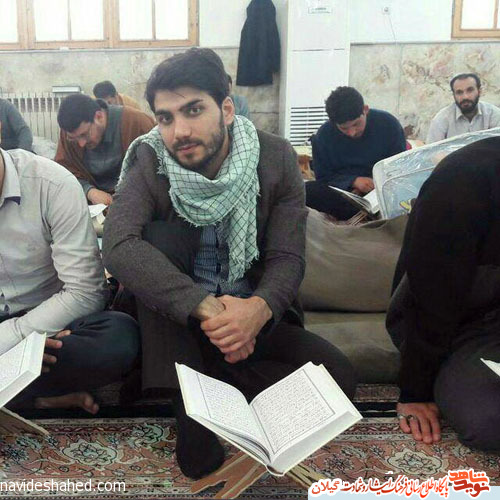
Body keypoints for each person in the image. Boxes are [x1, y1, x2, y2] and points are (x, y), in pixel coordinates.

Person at [103, 48, 356, 479]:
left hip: (250, 308)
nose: (180, 131)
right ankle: (191, 394)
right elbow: (118, 245)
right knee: (157, 242)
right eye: (165, 118)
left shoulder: (276, 158)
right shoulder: (150, 158)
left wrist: (255, 312)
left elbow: (287, 256)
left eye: (193, 110)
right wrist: (208, 308)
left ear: (225, 108)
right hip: (178, 318)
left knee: (338, 379)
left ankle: (204, 379)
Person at [0, 147, 140, 413]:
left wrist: (18, 339)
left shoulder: (51, 183)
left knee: (119, 339)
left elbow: (86, 291)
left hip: (51, 318)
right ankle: (36, 399)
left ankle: (16, 391)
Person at [387, 136, 500, 452]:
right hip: (463, 326)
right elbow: (432, 300)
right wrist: (416, 391)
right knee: (490, 419)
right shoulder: (464, 179)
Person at [306, 86, 406, 219]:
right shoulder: (324, 135)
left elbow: (400, 166)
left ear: (365, 110)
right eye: (344, 128)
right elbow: (323, 177)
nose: (352, 133)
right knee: (308, 190)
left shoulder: (388, 125)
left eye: (356, 124)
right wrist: (353, 181)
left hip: (382, 191)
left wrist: (377, 183)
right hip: (345, 195)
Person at [55, 94, 154, 206]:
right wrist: (89, 191)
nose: (81, 144)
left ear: (99, 117)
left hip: (135, 200)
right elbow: (63, 171)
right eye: (74, 139)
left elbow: (156, 169)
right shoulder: (70, 132)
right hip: (91, 205)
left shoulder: (136, 123)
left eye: (84, 135)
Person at [426, 73, 500, 144]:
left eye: (470, 90)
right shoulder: (442, 119)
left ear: (479, 91)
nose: (465, 97)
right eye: (459, 92)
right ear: (454, 95)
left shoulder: (493, 114)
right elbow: (432, 150)